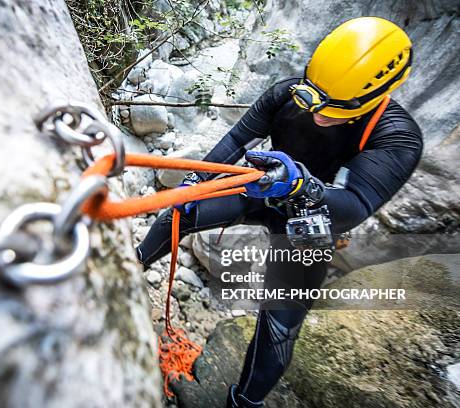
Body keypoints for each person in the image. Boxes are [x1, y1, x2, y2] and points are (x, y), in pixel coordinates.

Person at [135, 16, 423, 407]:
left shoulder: (396, 135)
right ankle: (132, 265)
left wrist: (303, 185)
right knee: (180, 213)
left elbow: (356, 205)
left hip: (311, 218)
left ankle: (244, 403)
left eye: (332, 108)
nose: (317, 114)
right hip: (262, 186)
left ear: (371, 98)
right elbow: (238, 138)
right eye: (314, 97)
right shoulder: (289, 93)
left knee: (278, 325)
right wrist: (193, 184)